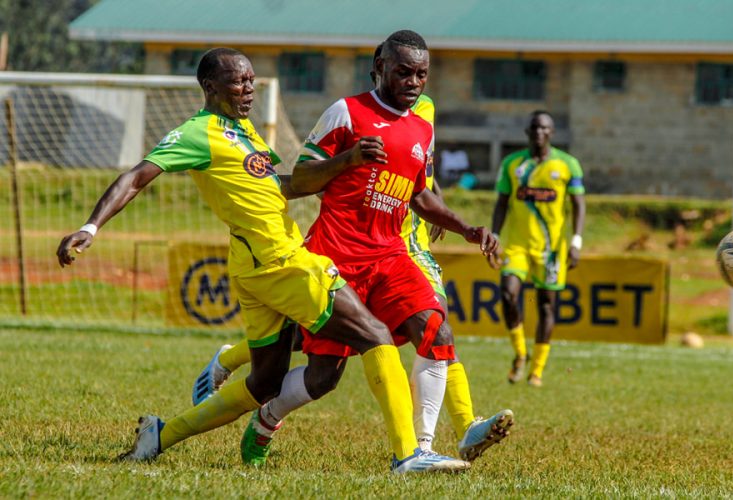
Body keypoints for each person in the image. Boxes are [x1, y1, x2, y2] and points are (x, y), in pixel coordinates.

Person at [55, 47, 468, 474]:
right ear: (210, 87)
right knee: (376, 335)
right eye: (238, 81)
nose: (248, 88)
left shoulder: (246, 131)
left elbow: (278, 188)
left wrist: (344, 168)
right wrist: (91, 227)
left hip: (254, 266)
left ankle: (161, 434)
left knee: (266, 382)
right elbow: (136, 176)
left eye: (251, 80)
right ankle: (410, 455)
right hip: (282, 262)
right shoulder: (198, 133)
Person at [233, 30, 514, 466]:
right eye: (403, 72)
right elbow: (301, 181)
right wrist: (347, 160)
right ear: (379, 67)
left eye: (421, 74)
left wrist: (467, 228)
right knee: (324, 377)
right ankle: (267, 418)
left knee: (436, 331)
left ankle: (421, 449)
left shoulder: (422, 126)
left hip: (389, 256)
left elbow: (419, 195)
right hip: (335, 257)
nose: (413, 82)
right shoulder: (346, 112)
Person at [487, 110, 586, 387]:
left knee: (546, 306)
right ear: (527, 132)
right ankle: (520, 353)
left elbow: (579, 205)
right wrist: (495, 236)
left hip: (552, 248)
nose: (539, 132)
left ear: (552, 133)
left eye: (545, 128)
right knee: (507, 294)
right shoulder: (512, 164)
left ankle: (537, 370)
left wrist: (576, 241)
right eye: (535, 128)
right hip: (518, 245)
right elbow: (502, 202)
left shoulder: (568, 165)